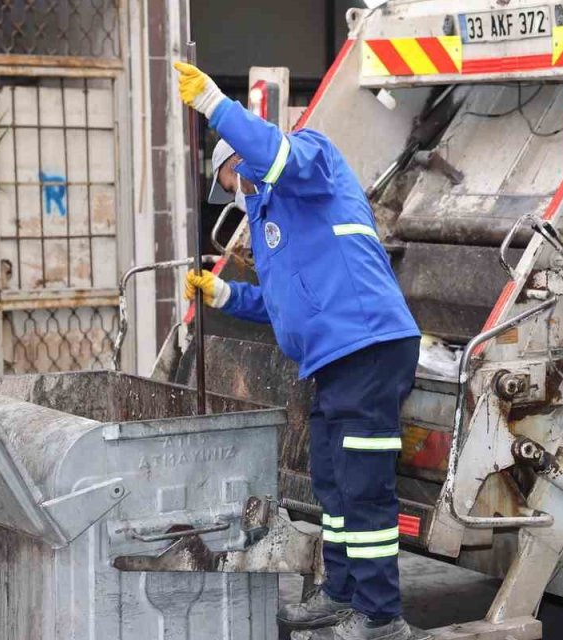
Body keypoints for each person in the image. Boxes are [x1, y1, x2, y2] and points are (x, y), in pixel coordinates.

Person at [175, 61, 427, 640]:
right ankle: (341, 596)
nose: (232, 194)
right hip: (334, 359)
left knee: (364, 487)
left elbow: (276, 153)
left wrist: (216, 104)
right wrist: (225, 293)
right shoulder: (271, 220)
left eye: (230, 180)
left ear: (238, 161)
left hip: (368, 345)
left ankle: (382, 617)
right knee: (334, 483)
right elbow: (283, 306)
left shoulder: (311, 162)